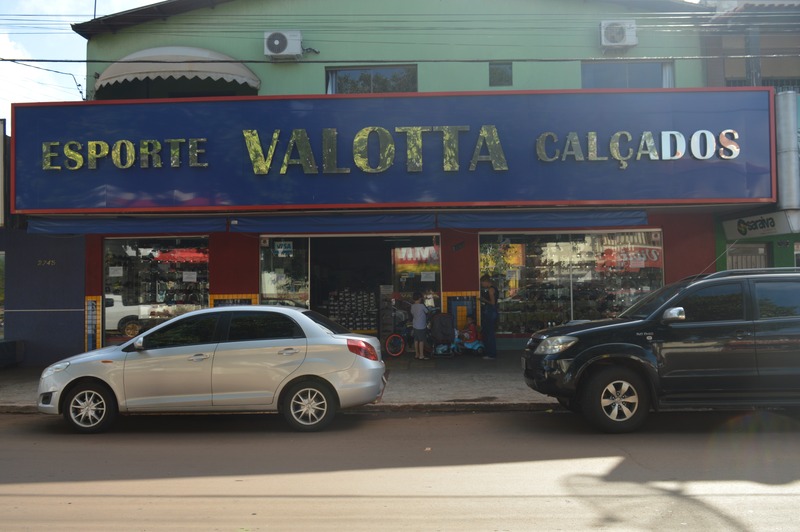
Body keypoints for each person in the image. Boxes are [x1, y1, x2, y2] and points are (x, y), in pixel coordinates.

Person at [480, 274, 498, 359]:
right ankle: (490, 352)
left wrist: (483, 300)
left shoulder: (491, 290)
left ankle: (491, 353)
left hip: (490, 312)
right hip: (492, 312)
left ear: (486, 282)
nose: (482, 284)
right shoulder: (494, 289)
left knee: (489, 333)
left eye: (482, 283)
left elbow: (492, 303)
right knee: (489, 332)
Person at [410, 291, 429, 360]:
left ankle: (416, 354)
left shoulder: (412, 306)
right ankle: (421, 355)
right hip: (421, 326)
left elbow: (412, 313)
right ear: (420, 298)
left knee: (416, 340)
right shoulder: (421, 306)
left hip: (415, 325)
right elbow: (427, 311)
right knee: (421, 340)